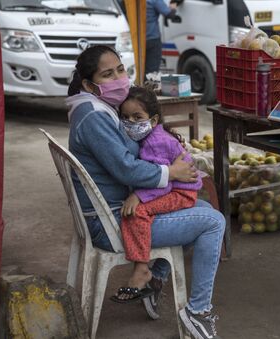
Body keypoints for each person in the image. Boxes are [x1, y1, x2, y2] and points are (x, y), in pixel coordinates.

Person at [66, 45, 223, 339]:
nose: (118, 78)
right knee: (214, 223)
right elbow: (127, 169)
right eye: (107, 74)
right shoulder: (93, 117)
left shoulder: (95, 107)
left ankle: (155, 280)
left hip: (116, 211)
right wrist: (171, 172)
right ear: (89, 84)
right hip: (113, 221)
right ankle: (197, 311)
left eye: (120, 69)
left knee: (205, 211)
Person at [112, 86, 203, 303]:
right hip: (176, 188)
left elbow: (163, 182)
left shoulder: (154, 142)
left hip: (181, 192)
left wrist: (138, 197)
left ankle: (142, 269)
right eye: (125, 117)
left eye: (137, 117)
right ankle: (151, 271)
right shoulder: (150, 136)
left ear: (153, 121)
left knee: (137, 213)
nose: (131, 122)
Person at [145, 0, 182, 75]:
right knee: (152, 71)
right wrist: (173, 7)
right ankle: (149, 85)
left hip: (137, 41)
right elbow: (169, 14)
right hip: (152, 39)